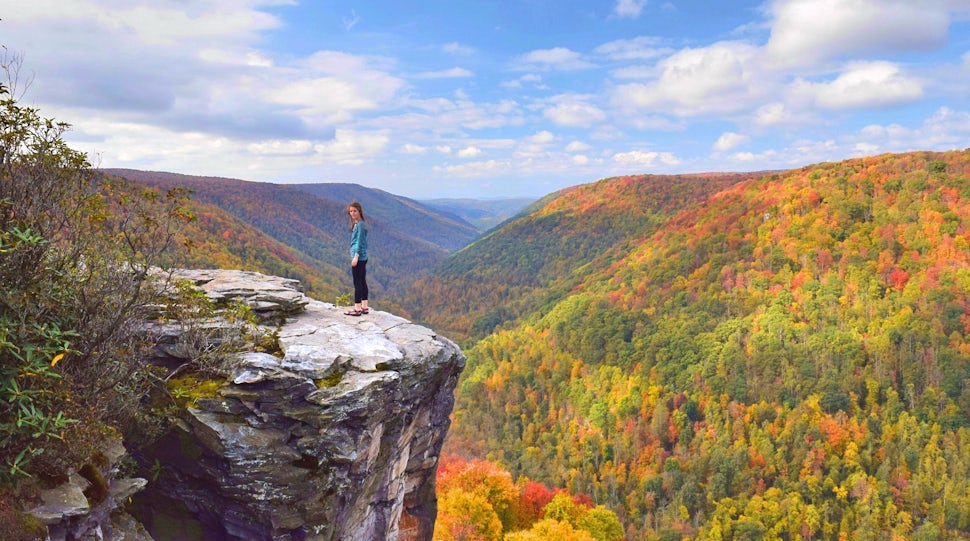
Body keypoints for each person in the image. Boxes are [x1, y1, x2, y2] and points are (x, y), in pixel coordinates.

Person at [345, 201, 369, 316]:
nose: (352, 213)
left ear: (359, 211)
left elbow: (359, 241)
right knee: (362, 281)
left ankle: (357, 308)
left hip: (358, 257)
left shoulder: (360, 225)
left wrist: (355, 256)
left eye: (354, 211)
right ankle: (364, 306)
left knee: (357, 282)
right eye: (350, 211)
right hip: (363, 256)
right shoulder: (359, 224)